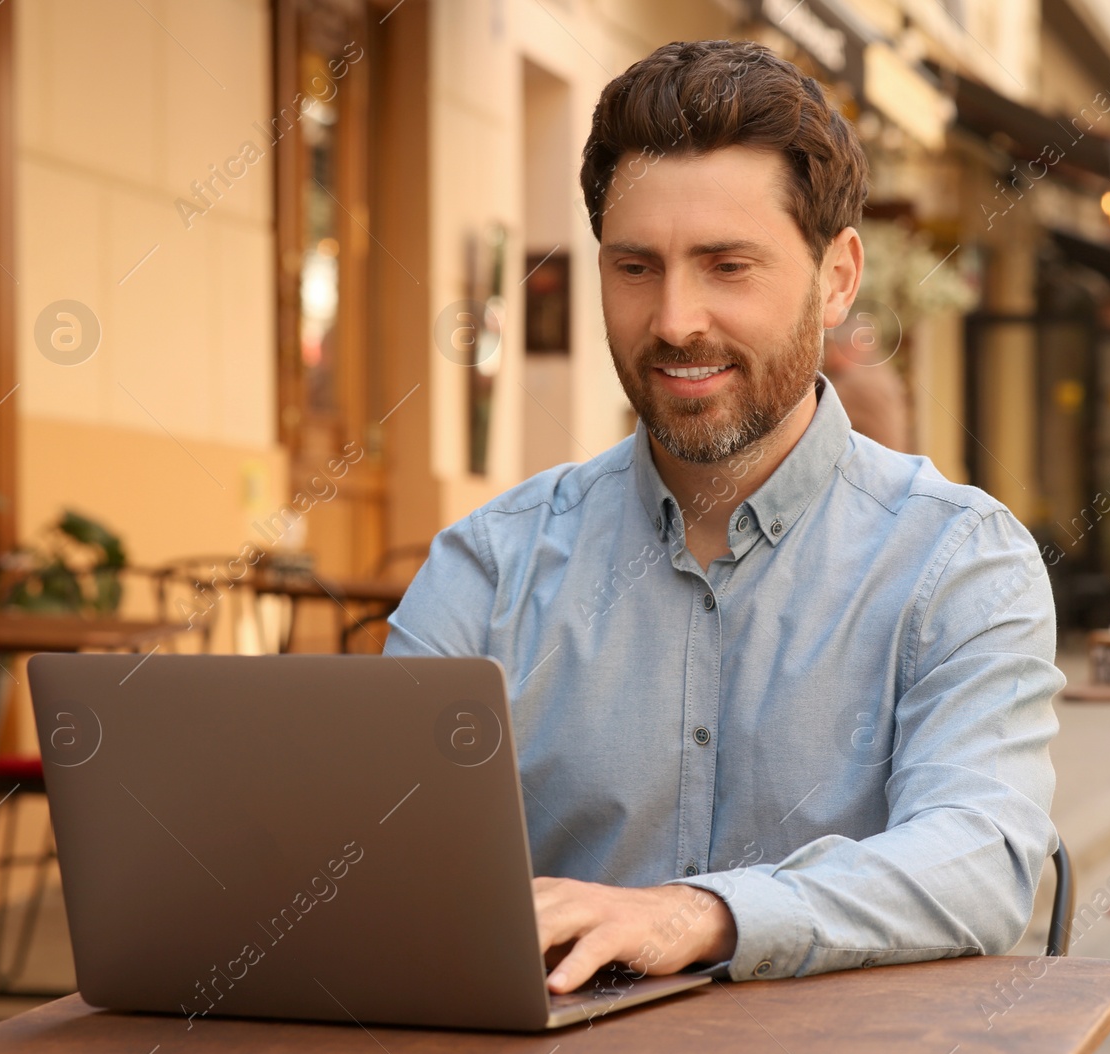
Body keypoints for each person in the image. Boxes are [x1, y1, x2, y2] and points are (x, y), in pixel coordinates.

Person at [386, 39, 1061, 995]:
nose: (674, 320)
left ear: (837, 279)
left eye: (726, 265)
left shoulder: (957, 561)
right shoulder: (488, 566)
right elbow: (383, 862)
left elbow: (981, 858)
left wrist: (706, 913)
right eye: (636, 267)